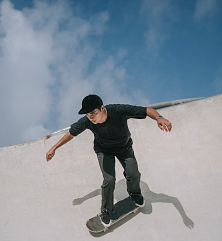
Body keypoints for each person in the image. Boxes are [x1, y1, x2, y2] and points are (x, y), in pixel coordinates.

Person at [46, 94, 172, 226]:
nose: (91, 118)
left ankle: (135, 194)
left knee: (133, 173)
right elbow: (71, 134)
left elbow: (146, 111)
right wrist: (54, 148)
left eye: (94, 113)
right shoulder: (87, 121)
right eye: (88, 115)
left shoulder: (118, 110)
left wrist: (159, 118)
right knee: (109, 180)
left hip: (124, 148)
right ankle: (106, 210)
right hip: (104, 151)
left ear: (102, 108)